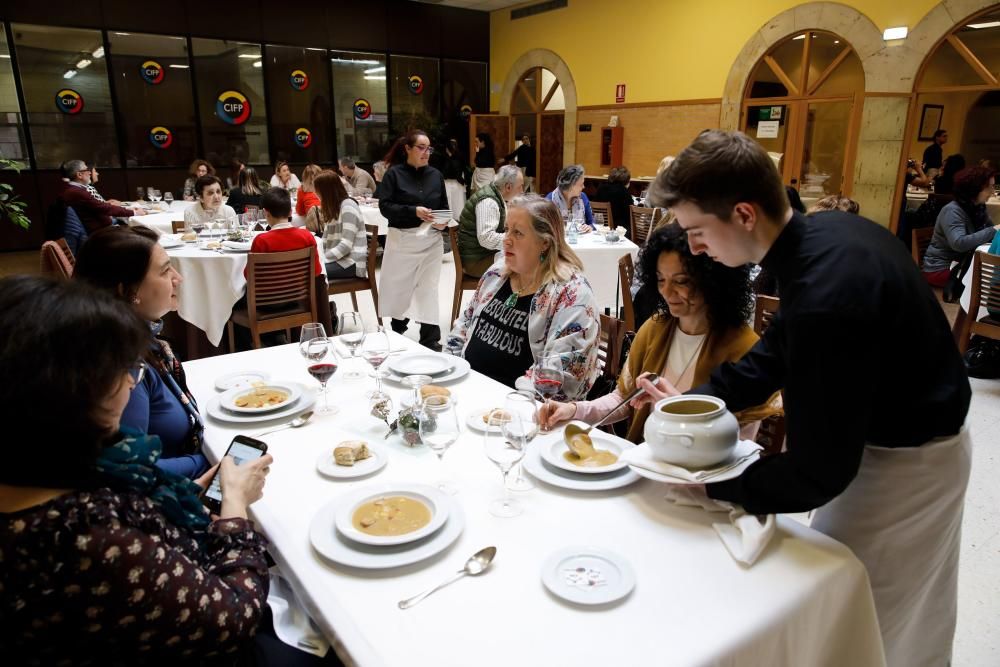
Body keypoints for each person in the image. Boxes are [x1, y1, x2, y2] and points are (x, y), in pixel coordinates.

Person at [636, 129, 972, 667]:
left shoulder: (826, 294)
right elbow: (775, 353)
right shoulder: (822, 234)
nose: (694, 247)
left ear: (744, 214)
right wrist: (696, 400)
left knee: (867, 615)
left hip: (910, 462)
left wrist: (720, 487)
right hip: (889, 437)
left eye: (698, 231)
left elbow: (819, 472)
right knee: (888, 608)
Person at [0, 275, 273, 664]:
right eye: (121, 372)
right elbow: (234, 617)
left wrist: (195, 492)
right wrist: (234, 507)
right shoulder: (86, 536)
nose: (131, 383)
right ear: (69, 392)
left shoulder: (45, 468)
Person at [539, 223, 777, 441]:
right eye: (661, 279)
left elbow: (741, 447)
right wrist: (574, 410)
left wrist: (679, 410)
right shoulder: (656, 328)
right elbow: (624, 398)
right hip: (645, 461)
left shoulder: (745, 350)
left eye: (681, 281)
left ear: (714, 280)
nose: (667, 292)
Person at [73, 227, 208, 479]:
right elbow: (125, 469)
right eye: (166, 270)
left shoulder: (140, 341)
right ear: (127, 291)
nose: (178, 278)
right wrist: (210, 461)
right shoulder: (123, 364)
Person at [447, 194, 599, 400]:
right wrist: (449, 374)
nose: (506, 239)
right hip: (465, 391)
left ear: (544, 243)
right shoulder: (497, 273)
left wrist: (509, 410)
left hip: (520, 413)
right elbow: (464, 325)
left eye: (517, 233)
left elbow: (559, 380)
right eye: (507, 229)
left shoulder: (572, 294)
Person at [376, 130, 450, 351]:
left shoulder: (436, 175)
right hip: (403, 241)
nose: (426, 152)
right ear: (407, 148)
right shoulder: (393, 175)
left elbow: (444, 207)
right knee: (400, 288)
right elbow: (385, 207)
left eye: (429, 148)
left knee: (428, 288)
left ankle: (430, 338)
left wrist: (442, 221)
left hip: (431, 241)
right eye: (421, 147)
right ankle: (397, 330)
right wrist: (413, 211)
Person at [922, 166, 999, 287]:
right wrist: (994, 230)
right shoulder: (953, 210)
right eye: (990, 187)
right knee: (992, 281)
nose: (993, 191)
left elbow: (991, 236)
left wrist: (994, 231)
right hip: (942, 268)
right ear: (975, 188)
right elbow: (959, 243)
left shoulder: (978, 207)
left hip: (963, 263)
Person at [457, 164, 524, 278]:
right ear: (508, 187)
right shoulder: (489, 201)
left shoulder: (496, 195)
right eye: (520, 187)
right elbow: (486, 238)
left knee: (524, 256)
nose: (522, 191)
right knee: (524, 262)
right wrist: (515, 240)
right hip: (475, 262)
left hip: (482, 254)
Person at [249, 188, 323, 277]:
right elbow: (316, 271)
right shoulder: (307, 236)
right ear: (291, 212)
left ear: (266, 213)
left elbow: (249, 275)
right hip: (301, 290)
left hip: (271, 290)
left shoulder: (261, 241)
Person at [307, 170, 368, 279]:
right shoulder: (335, 208)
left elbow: (346, 245)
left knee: (313, 274)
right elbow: (325, 240)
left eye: (317, 191)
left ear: (326, 191)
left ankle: (319, 296)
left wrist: (322, 258)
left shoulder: (348, 206)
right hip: (339, 260)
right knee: (309, 270)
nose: (316, 195)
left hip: (351, 262)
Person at [57, 159, 145, 233]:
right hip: (102, 232)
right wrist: (134, 212)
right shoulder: (77, 192)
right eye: (87, 170)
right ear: (79, 175)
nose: (90, 173)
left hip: (103, 227)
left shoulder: (74, 189)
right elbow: (104, 208)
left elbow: (100, 206)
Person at [545, 164, 595, 230]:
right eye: (581, 184)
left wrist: (590, 227)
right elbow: (545, 228)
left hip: (581, 239)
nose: (583, 187)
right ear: (571, 186)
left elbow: (592, 223)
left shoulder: (583, 197)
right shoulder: (550, 200)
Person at [591, 165, 632, 231]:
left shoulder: (601, 188)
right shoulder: (624, 192)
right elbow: (630, 216)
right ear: (626, 180)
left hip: (600, 227)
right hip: (619, 231)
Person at [441, 138, 468, 220]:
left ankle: (455, 225)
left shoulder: (457, 157)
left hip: (454, 183)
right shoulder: (446, 158)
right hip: (452, 183)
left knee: (456, 205)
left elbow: (448, 172)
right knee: (453, 204)